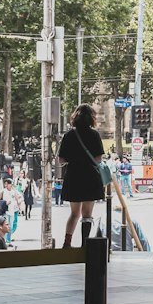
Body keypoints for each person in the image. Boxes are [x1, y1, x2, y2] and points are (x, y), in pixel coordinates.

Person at [57, 104, 106, 249]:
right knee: (87, 214)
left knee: (74, 213)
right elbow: (98, 159)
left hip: (74, 176)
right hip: (90, 177)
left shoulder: (69, 135)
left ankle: (67, 242)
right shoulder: (94, 135)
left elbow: (61, 160)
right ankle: (85, 245)